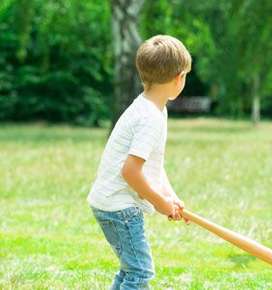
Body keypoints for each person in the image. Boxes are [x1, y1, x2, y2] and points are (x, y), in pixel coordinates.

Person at [87, 35, 191, 289]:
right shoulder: (149, 118)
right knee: (140, 272)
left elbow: (154, 165)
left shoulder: (154, 108)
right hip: (118, 207)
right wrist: (159, 203)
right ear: (179, 78)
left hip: (110, 203)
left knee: (131, 270)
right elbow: (131, 172)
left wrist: (170, 197)